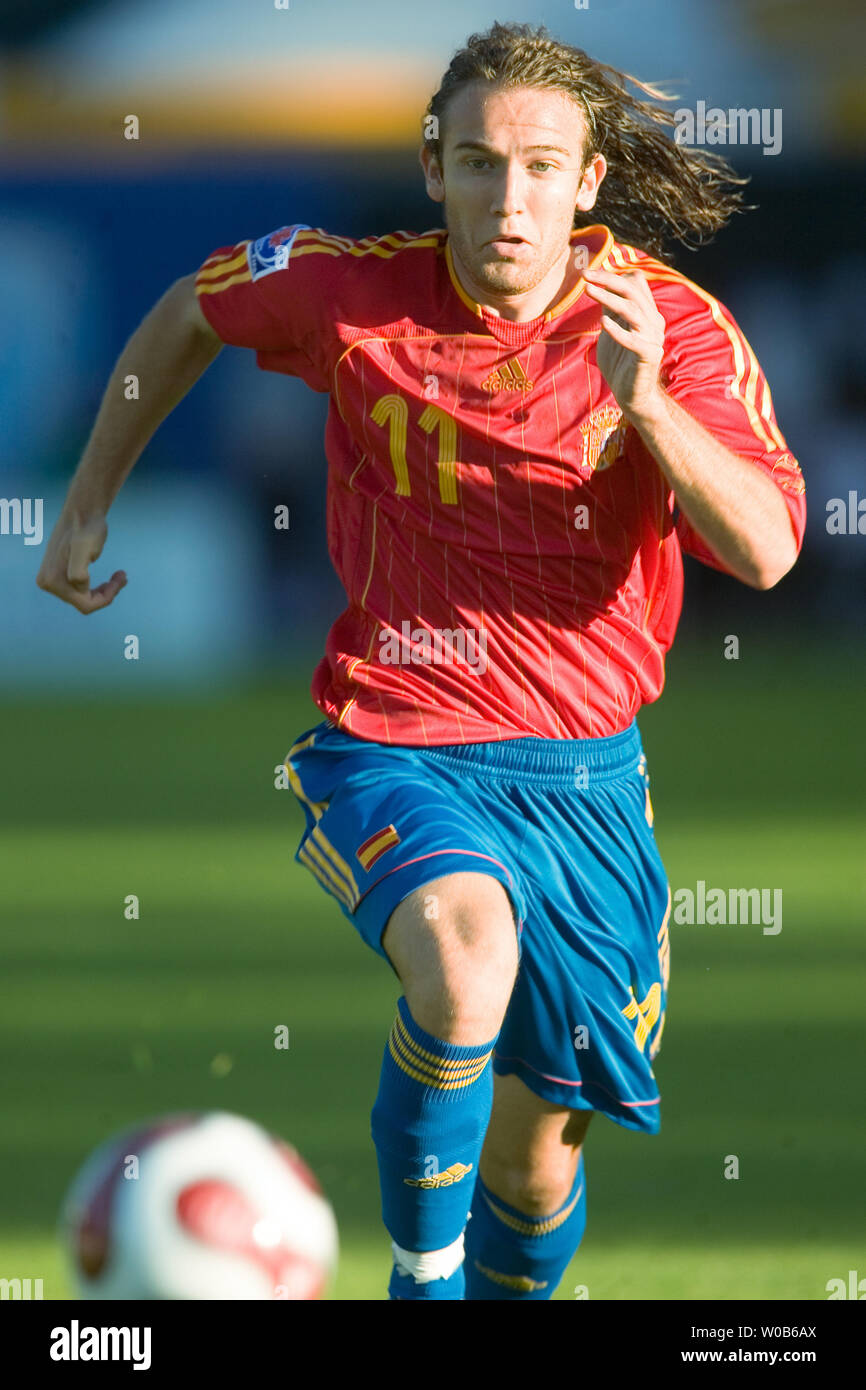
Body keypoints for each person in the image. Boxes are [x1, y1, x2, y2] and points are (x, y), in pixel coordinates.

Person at [37, 22, 806, 1300]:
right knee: (462, 963)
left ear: (589, 181)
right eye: (478, 163)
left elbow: (772, 549)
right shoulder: (350, 292)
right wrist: (84, 503)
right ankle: (417, 1285)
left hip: (587, 787)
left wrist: (650, 407)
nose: (509, 199)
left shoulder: (667, 326)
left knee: (537, 1164)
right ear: (431, 168)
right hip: (395, 739)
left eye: (540, 167)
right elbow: (189, 311)